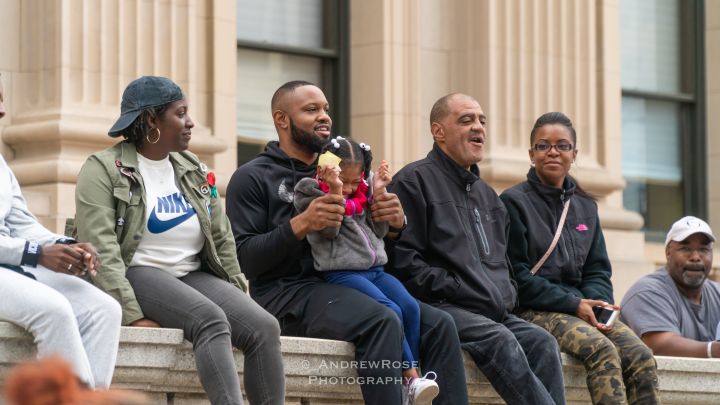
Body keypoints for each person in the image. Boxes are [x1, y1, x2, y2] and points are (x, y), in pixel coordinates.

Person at [226, 80, 469, 405]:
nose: (324, 116)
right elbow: (246, 260)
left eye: (326, 108)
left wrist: (395, 224)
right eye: (311, 109)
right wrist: (301, 224)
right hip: (289, 294)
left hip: (353, 281)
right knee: (382, 319)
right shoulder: (253, 177)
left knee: (439, 324)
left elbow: (371, 246)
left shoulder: (347, 172)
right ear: (281, 119)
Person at [73, 76, 285, 405]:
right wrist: (131, 313)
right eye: (181, 113)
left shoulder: (193, 169)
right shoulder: (103, 169)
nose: (190, 122)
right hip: (139, 270)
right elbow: (100, 245)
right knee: (211, 320)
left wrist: (236, 290)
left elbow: (221, 236)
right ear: (151, 120)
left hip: (191, 273)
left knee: (264, 327)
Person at [387, 93, 565, 405]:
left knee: (543, 343)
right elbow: (402, 262)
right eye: (466, 120)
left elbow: (504, 265)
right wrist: (456, 287)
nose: (478, 128)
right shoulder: (413, 181)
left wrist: (505, 292)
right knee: (501, 340)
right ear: (438, 131)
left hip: (492, 310)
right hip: (444, 306)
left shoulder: (489, 198)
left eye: (482, 121)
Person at [499, 112, 659, 404]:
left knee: (641, 357)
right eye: (543, 145)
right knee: (602, 351)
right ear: (531, 153)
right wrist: (574, 304)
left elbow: (597, 268)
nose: (553, 152)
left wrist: (596, 303)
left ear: (574, 154)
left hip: (582, 308)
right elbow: (516, 276)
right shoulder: (513, 202)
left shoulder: (585, 206)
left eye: (562, 145)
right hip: (534, 309)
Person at [293, 136, 439, 403]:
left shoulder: (362, 192)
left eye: (354, 180)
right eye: (344, 180)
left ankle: (410, 379)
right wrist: (335, 190)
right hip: (343, 272)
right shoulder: (309, 190)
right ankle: (411, 377)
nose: (350, 187)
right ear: (327, 169)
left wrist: (379, 193)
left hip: (376, 270)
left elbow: (380, 233)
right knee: (390, 310)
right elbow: (329, 230)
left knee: (409, 307)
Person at [0, 73, 122, 389]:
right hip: (12, 265)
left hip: (11, 266)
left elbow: (21, 223)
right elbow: (26, 245)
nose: (2, 110)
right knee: (54, 310)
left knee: (104, 309)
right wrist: (37, 254)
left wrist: (68, 245)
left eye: (2, 100)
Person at [621, 216, 720, 358]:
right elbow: (660, 345)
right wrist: (713, 350)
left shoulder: (717, 293)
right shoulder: (647, 291)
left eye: (704, 249)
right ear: (668, 252)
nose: (695, 257)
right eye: (685, 249)